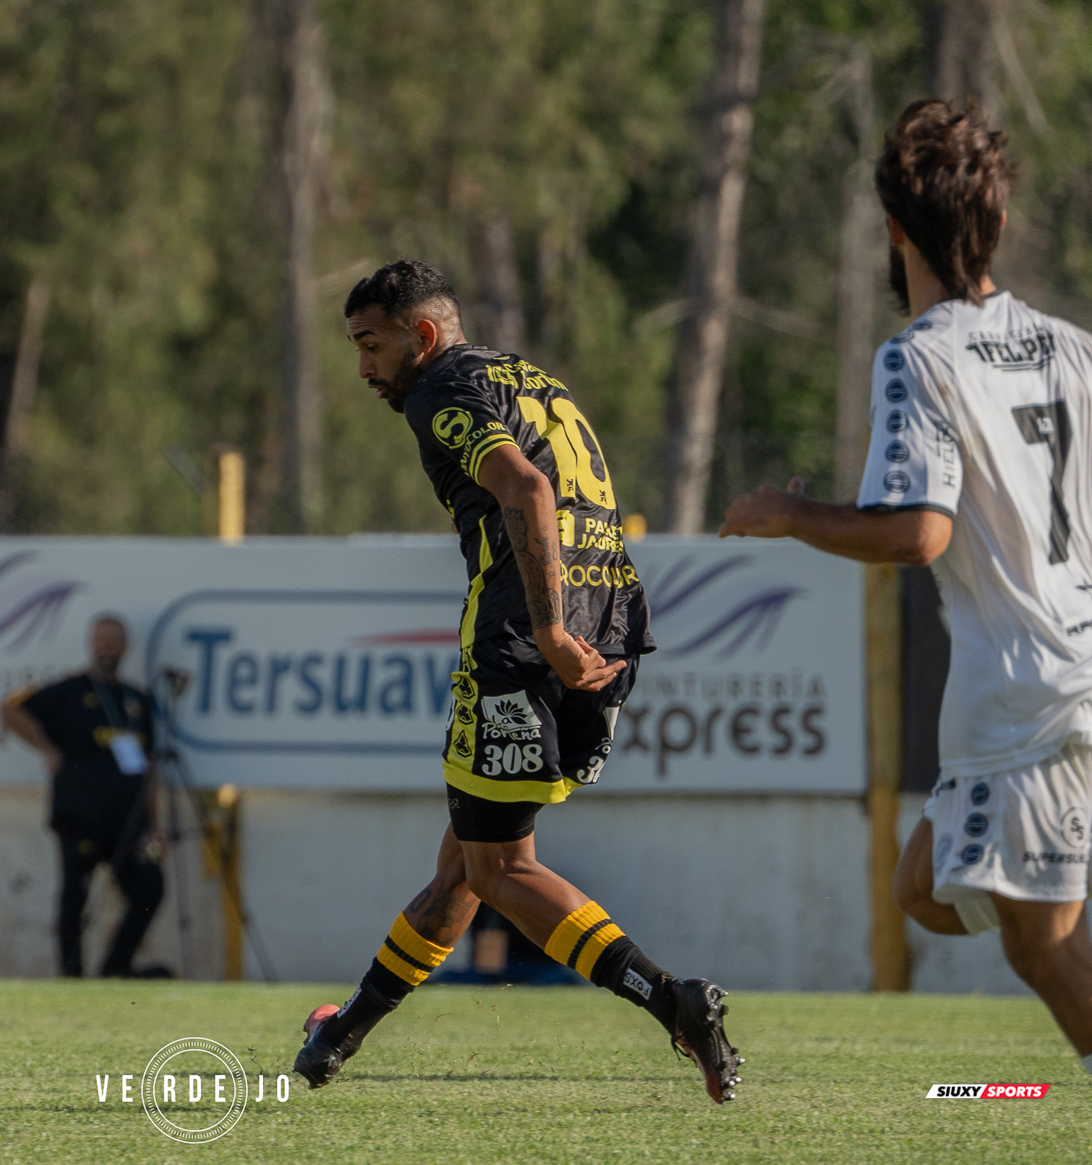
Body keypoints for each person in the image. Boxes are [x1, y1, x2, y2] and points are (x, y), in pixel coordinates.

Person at [294, 260, 743, 1103]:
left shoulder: (439, 390)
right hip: (611, 622)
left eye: (370, 344)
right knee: (468, 864)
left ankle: (671, 1000)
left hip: (527, 639)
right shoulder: (530, 379)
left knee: (499, 867)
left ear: (422, 334)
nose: (362, 367)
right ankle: (339, 1035)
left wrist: (548, 633)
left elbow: (527, 488)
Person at [721, 99, 1092, 1077]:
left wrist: (788, 513)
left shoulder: (920, 357)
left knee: (1042, 946)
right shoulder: (1072, 347)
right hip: (1047, 681)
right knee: (924, 888)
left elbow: (918, 531)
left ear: (893, 228)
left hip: (1029, 698)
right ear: (998, 220)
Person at [3, 615, 170, 979]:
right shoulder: (69, 690)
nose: (108, 646)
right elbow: (10, 708)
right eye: (102, 638)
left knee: (149, 889)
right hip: (80, 815)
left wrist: (156, 824)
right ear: (91, 643)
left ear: (125, 646)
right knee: (75, 896)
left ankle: (115, 967)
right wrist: (46, 748)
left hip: (128, 820)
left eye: (115, 639)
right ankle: (71, 975)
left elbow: (150, 767)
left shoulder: (138, 700)